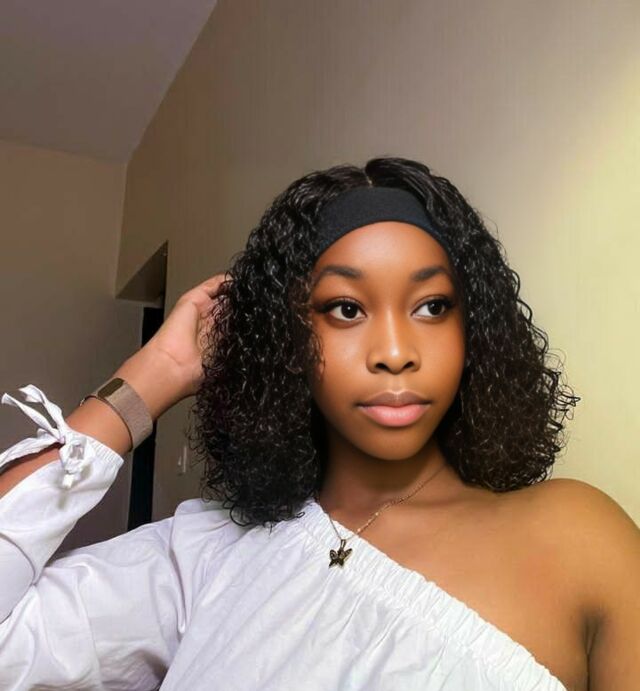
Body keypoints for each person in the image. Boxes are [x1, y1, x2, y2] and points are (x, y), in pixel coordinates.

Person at [0, 157, 638, 690]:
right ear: (288, 339)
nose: (395, 351)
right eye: (346, 309)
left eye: (432, 306)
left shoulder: (577, 537)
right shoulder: (206, 554)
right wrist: (151, 378)